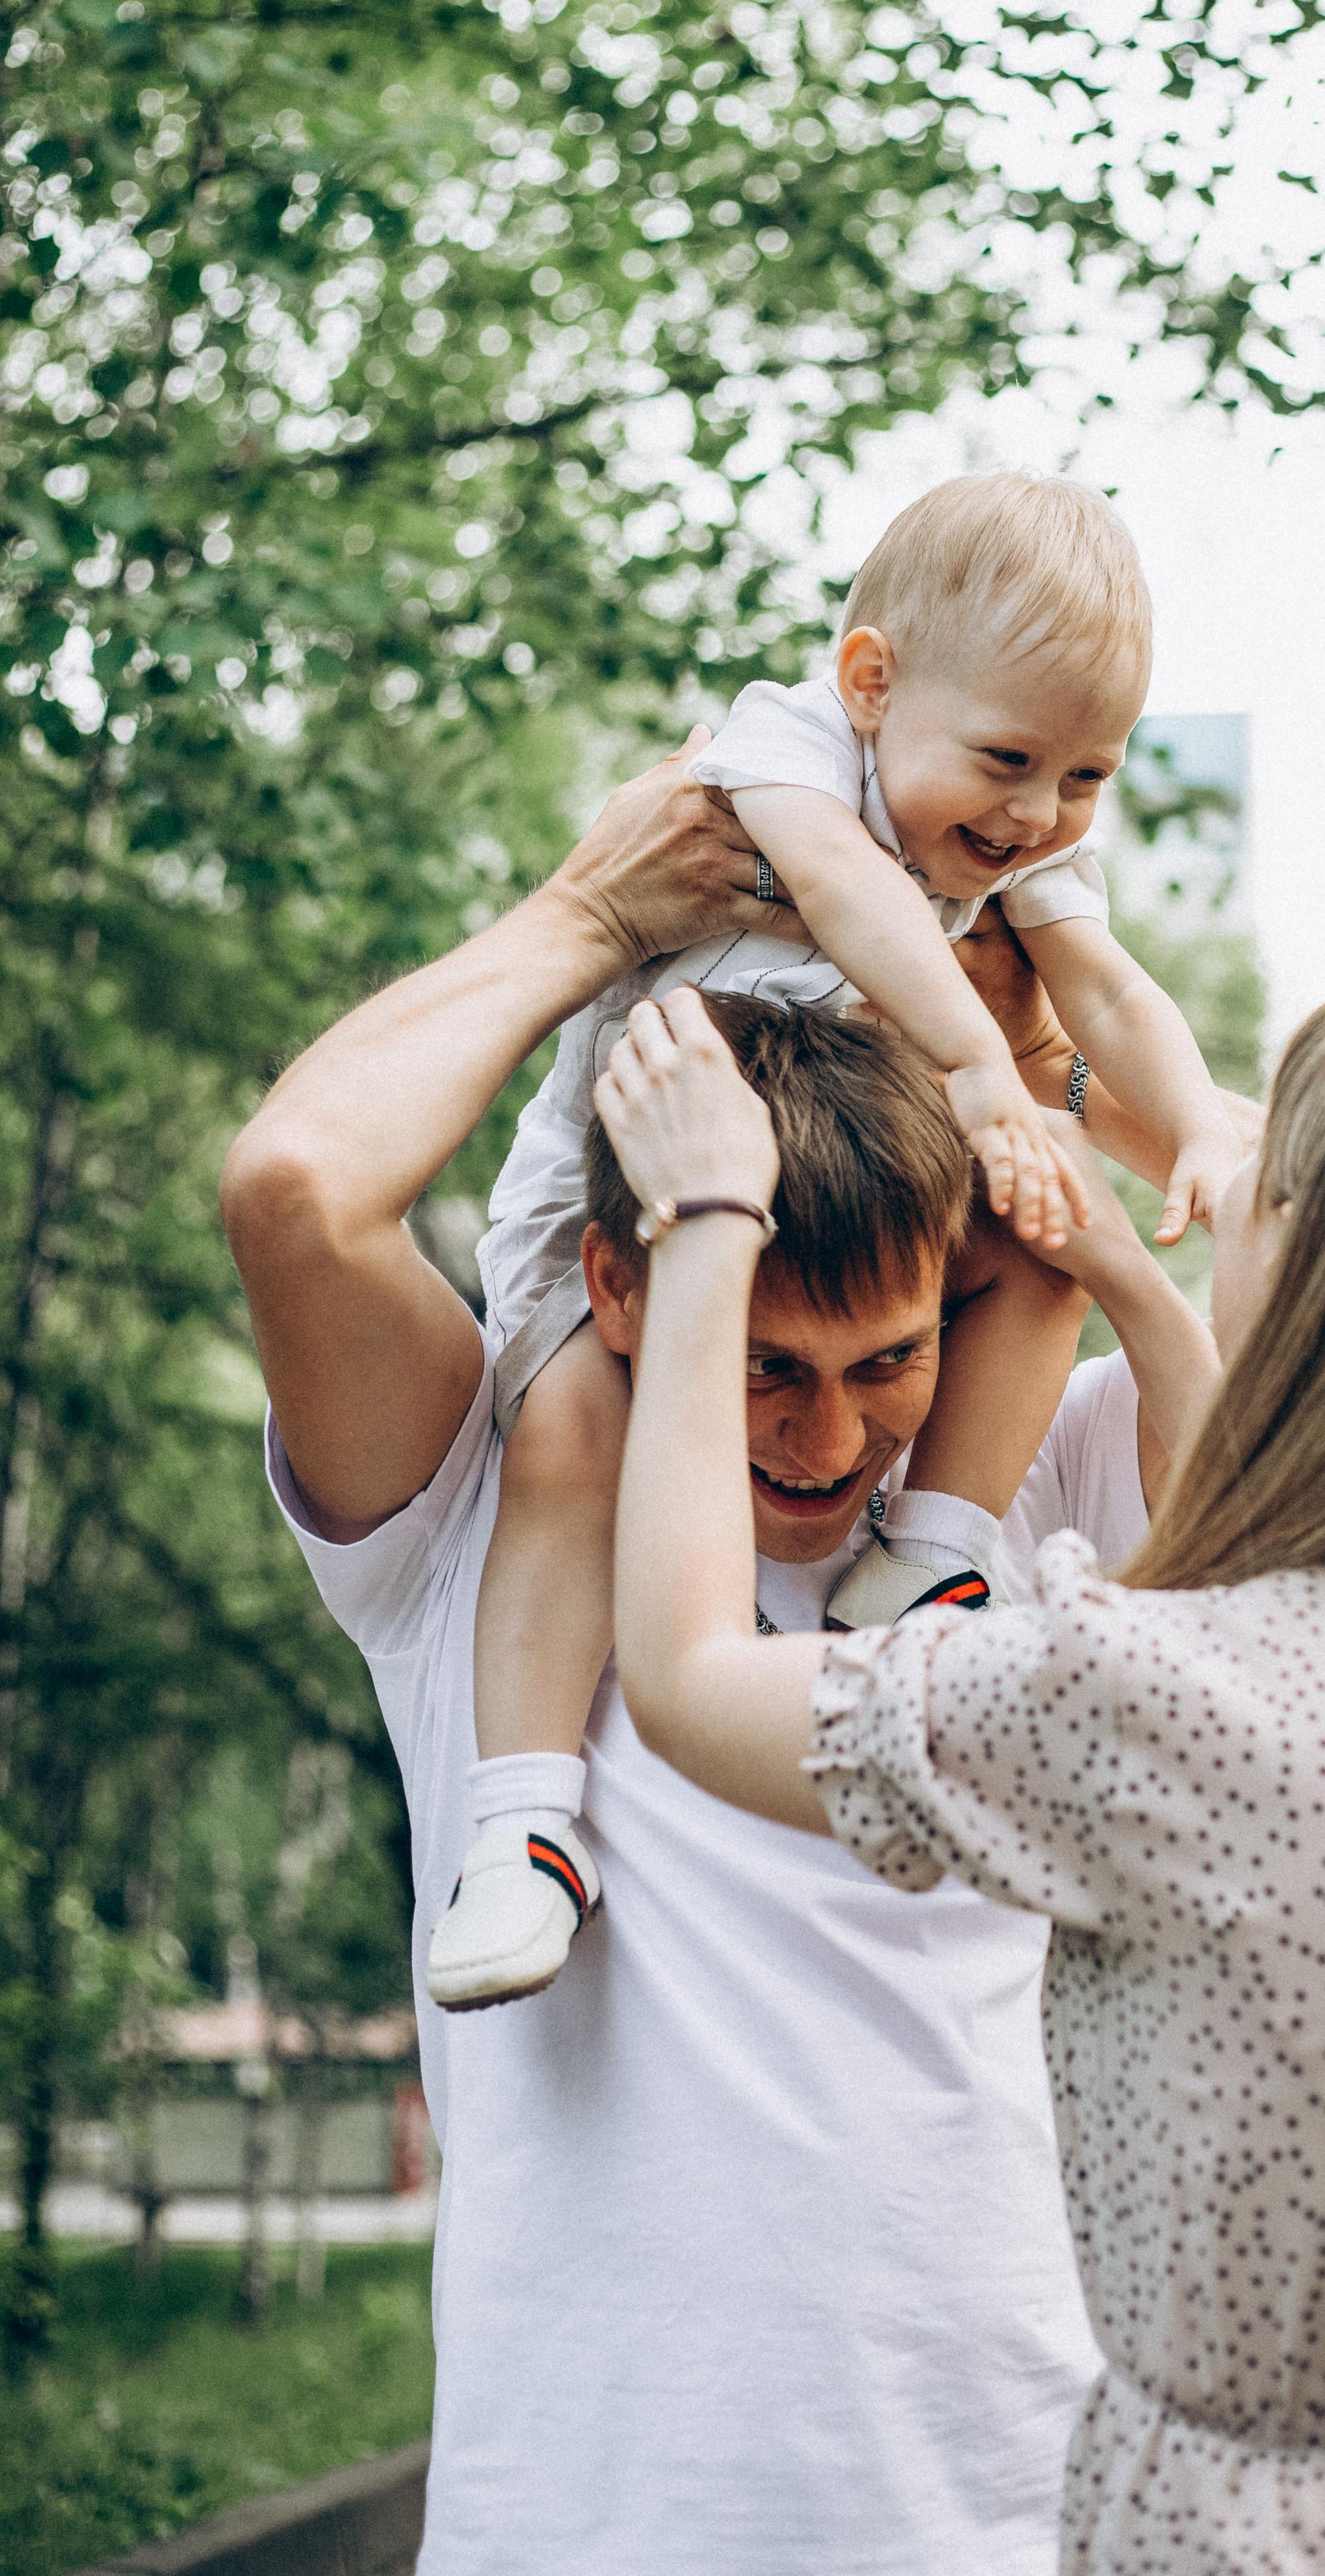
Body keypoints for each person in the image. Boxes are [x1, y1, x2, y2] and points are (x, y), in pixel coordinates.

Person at [595, 971, 1325, 2576]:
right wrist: (1120, 1262)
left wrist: (703, 1225)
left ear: (1311, 1279)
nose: (1212, 1176)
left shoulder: (1165, 1707)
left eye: (1257, 1169)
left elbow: (690, 1678)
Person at [219, 747, 1137, 2576]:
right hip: (587, 2531)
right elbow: (296, 1190)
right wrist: (589, 917)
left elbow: (1312, 1289)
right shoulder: (486, 1518)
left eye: (883, 1365)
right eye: (764, 1369)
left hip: (1009, 2522)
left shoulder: (1025, 1486)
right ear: (624, 1289)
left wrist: (1022, 1003)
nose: (828, 1441)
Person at [439, 471, 1242, 2009]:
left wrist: (1196, 1120)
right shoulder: (787, 749)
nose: (1037, 816)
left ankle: (931, 1561)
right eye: (1008, 762)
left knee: (1045, 1240)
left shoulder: (1010, 839)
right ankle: (523, 1825)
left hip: (849, 1192)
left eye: (1087, 775)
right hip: (641, 1178)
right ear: (872, 683)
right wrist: (983, 1072)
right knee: (569, 1436)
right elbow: (854, 903)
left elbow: (1110, 990)